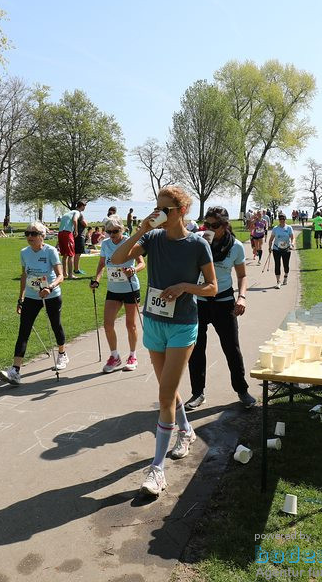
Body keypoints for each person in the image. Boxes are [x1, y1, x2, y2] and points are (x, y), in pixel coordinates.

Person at [110, 186, 216, 497]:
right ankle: (186, 430)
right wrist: (142, 228)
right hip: (155, 323)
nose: (160, 214)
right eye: (157, 208)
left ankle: (157, 470)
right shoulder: (152, 238)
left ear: (182, 211)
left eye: (166, 210)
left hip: (182, 326)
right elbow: (117, 259)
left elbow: (211, 287)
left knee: (165, 395)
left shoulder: (198, 245)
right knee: (166, 389)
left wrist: (185, 286)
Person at [185, 206, 255, 411]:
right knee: (196, 349)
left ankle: (242, 390)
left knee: (232, 348)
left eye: (214, 225)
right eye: (207, 224)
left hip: (224, 302)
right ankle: (198, 393)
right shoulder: (199, 240)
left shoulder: (236, 247)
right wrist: (199, 246)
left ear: (225, 225)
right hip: (198, 301)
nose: (209, 228)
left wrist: (241, 298)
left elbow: (242, 276)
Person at [0, 222, 69, 385]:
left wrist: (50, 288)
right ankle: (15, 371)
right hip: (31, 296)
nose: (30, 237)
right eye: (27, 233)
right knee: (24, 331)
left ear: (42, 236)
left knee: (55, 325)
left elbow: (61, 276)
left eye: (34, 233)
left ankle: (62, 353)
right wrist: (21, 298)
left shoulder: (50, 251)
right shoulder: (24, 252)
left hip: (51, 295)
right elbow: (24, 276)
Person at [91, 219, 145, 374]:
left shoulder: (130, 241)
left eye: (115, 231)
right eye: (109, 232)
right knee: (107, 324)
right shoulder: (106, 244)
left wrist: (134, 270)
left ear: (122, 230)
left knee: (131, 325)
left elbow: (142, 263)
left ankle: (133, 356)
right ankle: (115, 356)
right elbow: (102, 263)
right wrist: (97, 279)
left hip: (130, 287)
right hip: (113, 289)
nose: (112, 235)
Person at [267, 213, 296, 288]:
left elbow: (293, 237)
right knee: (277, 265)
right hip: (277, 249)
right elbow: (271, 239)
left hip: (286, 249)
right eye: (280, 219)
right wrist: (270, 247)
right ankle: (278, 281)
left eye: (283, 219)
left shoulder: (289, 228)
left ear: (285, 219)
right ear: (279, 220)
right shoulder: (275, 228)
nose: (282, 220)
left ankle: (285, 277)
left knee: (286, 265)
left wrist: (292, 244)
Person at [57, 204, 79, 279]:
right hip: (67, 233)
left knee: (64, 255)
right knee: (71, 255)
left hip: (60, 233)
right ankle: (70, 275)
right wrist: (76, 230)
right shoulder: (77, 212)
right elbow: (75, 220)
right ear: (82, 207)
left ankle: (64, 273)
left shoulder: (66, 214)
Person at [73, 201, 88, 275]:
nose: (85, 208)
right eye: (84, 206)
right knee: (78, 253)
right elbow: (85, 224)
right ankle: (76, 269)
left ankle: (76, 269)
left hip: (75, 235)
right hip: (79, 236)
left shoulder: (73, 212)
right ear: (82, 206)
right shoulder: (79, 214)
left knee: (75, 253)